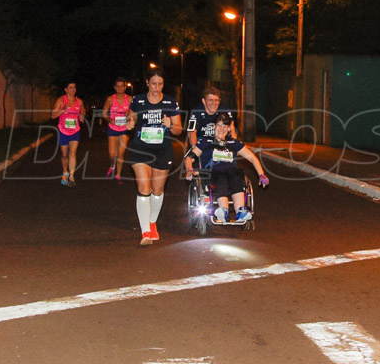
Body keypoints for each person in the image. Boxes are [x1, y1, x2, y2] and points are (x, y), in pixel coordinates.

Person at [125, 69, 183, 245]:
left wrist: (171, 124)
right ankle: (145, 233)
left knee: (157, 190)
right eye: (154, 83)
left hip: (162, 149)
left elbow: (179, 130)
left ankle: (152, 222)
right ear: (147, 83)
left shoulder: (170, 102)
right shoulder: (138, 100)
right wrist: (130, 122)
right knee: (144, 186)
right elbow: (130, 117)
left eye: (160, 84)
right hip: (140, 148)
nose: (157, 87)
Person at [185, 113, 269, 224]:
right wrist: (189, 170)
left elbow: (252, 158)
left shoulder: (233, 143)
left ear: (229, 128)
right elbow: (189, 158)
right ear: (214, 126)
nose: (222, 129)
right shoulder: (206, 142)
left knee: (236, 175)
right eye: (219, 125)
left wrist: (261, 174)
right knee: (221, 178)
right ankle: (223, 210)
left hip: (231, 172)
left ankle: (240, 211)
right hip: (212, 173)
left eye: (225, 126)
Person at [51, 81, 86, 187]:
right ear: (66, 89)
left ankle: (71, 176)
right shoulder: (61, 100)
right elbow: (53, 115)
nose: (73, 90)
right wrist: (63, 110)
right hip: (63, 131)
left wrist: (81, 115)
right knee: (64, 155)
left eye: (74, 88)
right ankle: (65, 172)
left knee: (73, 153)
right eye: (70, 88)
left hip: (75, 130)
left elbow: (83, 109)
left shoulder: (79, 101)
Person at [101, 77, 131, 183]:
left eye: (122, 86)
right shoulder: (110, 99)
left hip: (124, 128)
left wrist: (129, 118)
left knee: (121, 153)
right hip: (113, 127)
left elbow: (133, 113)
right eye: (117, 86)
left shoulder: (130, 99)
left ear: (124, 87)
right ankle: (112, 165)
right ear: (115, 87)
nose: (120, 88)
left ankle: (118, 174)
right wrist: (110, 120)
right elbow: (104, 113)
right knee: (112, 153)